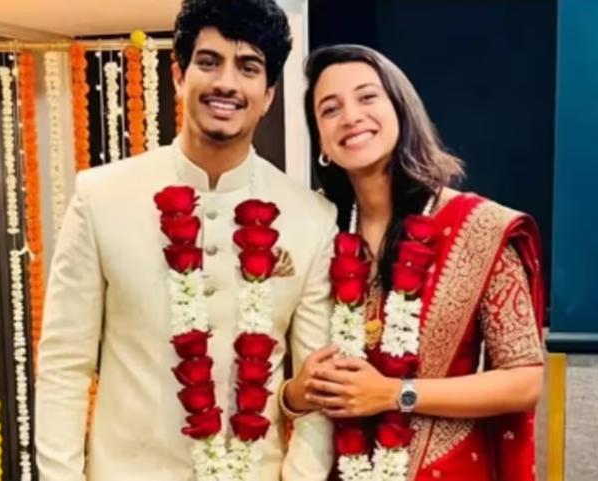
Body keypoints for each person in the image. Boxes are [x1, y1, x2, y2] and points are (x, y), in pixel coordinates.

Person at [34, 1, 335, 480]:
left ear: (268, 95)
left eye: (248, 67)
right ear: (178, 76)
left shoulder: (311, 219)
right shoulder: (101, 197)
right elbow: (63, 366)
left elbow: (319, 387)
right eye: (209, 62)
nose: (227, 83)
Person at [281, 44, 545, 481]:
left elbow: (524, 381)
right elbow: (286, 378)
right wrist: (296, 394)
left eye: (367, 97)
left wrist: (395, 394)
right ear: (322, 142)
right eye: (330, 109)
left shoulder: (481, 227)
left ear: (401, 111)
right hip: (340, 466)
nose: (351, 117)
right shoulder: (316, 233)